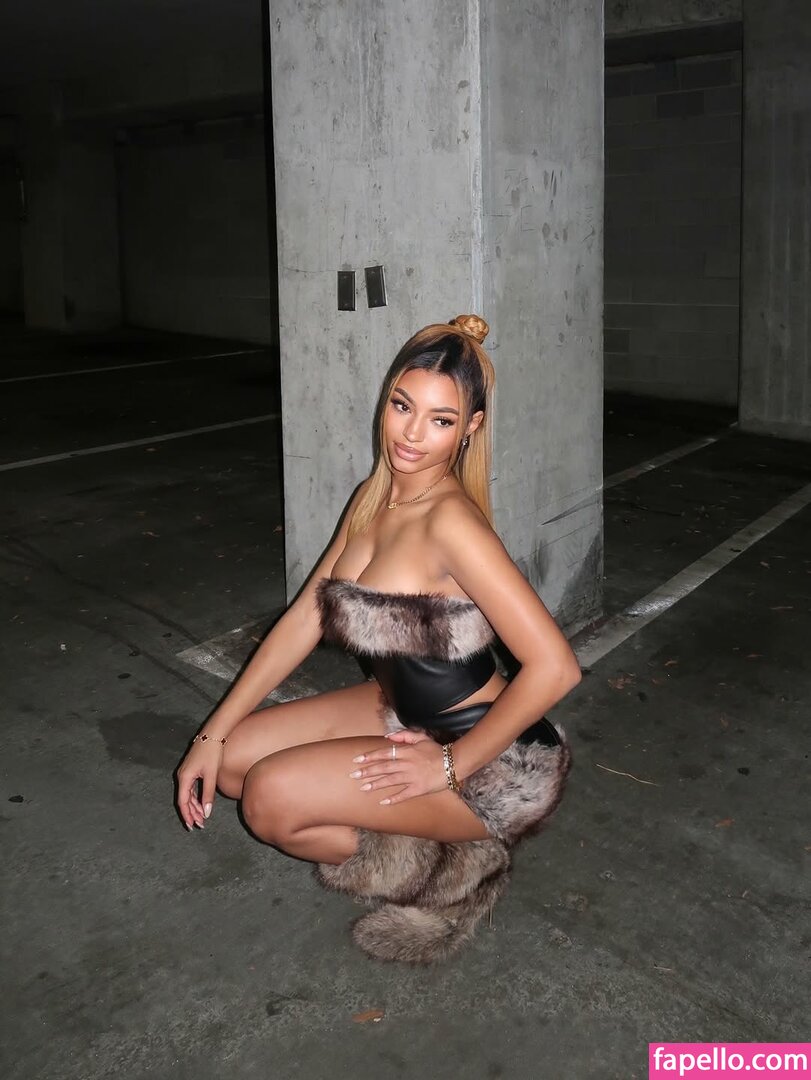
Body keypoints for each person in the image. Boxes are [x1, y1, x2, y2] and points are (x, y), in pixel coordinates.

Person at [175, 314, 581, 961]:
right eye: (402, 406)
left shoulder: (452, 525)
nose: (412, 435)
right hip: (400, 709)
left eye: (441, 419)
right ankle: (414, 824)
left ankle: (460, 865)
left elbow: (555, 667)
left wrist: (448, 765)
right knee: (229, 764)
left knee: (267, 802)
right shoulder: (376, 495)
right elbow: (305, 617)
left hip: (490, 761)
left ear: (471, 427)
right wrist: (210, 734)